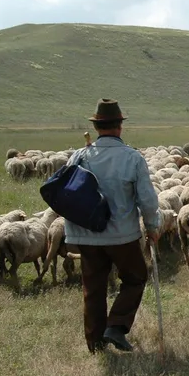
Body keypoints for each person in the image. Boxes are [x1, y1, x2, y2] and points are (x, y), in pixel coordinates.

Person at [65, 99, 160, 353]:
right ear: (119, 126)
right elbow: (147, 200)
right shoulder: (132, 158)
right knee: (136, 276)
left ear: (97, 127)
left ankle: (95, 344)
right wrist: (153, 227)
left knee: (93, 287)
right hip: (121, 235)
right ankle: (116, 326)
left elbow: (66, 191)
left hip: (87, 235)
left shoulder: (79, 156)